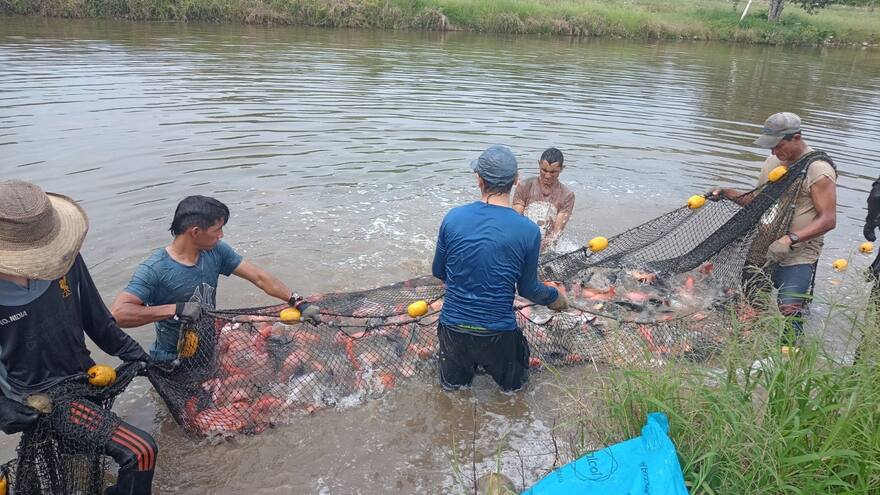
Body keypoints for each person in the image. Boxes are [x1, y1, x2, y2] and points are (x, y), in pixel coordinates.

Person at [0, 180, 157, 495]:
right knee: (140, 451)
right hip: (39, 399)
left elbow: (97, 319)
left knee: (78, 466)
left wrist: (137, 355)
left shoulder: (63, 260)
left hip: (83, 378)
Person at [111, 195, 319, 361]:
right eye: (217, 230)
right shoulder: (155, 268)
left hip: (209, 348)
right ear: (195, 232)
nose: (221, 235)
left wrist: (296, 301)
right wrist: (176, 309)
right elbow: (118, 315)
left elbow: (259, 277)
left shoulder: (216, 251)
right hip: (172, 359)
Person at [432, 145, 568, 392]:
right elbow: (528, 288)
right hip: (498, 334)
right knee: (513, 392)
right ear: (516, 181)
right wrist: (555, 298)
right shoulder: (528, 230)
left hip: (453, 330)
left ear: (479, 179)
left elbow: (439, 272)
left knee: (452, 392)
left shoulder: (452, 218)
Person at [709, 112, 837, 341]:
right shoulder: (772, 162)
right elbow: (760, 203)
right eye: (770, 147)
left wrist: (790, 239)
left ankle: (789, 359)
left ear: (796, 138)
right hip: (762, 247)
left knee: (789, 310)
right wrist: (728, 193)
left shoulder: (818, 170)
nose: (773, 152)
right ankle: (748, 349)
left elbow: (828, 219)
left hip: (797, 254)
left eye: (778, 146)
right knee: (750, 305)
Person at [512, 147, 575, 251]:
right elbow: (515, 221)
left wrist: (539, 247)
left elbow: (557, 232)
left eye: (553, 172)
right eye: (544, 170)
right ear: (539, 164)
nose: (547, 176)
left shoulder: (567, 195)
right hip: (522, 241)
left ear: (562, 169)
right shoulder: (524, 186)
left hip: (547, 246)